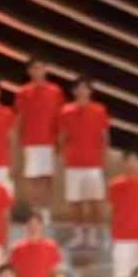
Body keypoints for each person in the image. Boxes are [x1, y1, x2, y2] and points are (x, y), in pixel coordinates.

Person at [59, 76, 109, 249]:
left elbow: (104, 137)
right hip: (73, 164)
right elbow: (62, 137)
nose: (82, 91)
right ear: (74, 91)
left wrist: (104, 161)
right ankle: (79, 236)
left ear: (90, 91)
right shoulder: (66, 110)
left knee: (95, 202)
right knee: (75, 202)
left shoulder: (99, 110)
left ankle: (94, 236)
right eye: (78, 88)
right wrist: (63, 156)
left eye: (85, 88)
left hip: (94, 164)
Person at [14, 57, 64, 214]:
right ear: (29, 71)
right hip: (30, 142)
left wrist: (59, 141)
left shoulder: (55, 91)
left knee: (47, 178)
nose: (38, 71)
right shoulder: (23, 92)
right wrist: (18, 143)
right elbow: (20, 118)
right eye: (34, 68)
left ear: (45, 70)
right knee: (32, 178)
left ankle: (45, 213)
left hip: (49, 142)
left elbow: (59, 118)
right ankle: (34, 213)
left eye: (41, 67)